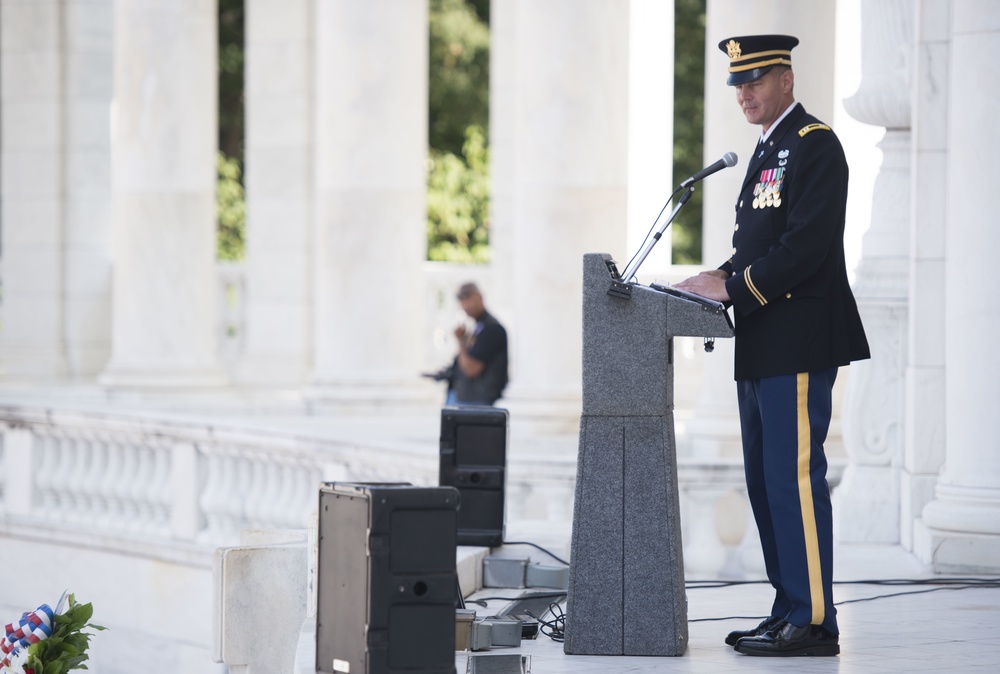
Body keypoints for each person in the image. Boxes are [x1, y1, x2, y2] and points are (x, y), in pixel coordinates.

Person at [676, 34, 870, 657]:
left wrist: (734, 285)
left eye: (756, 79)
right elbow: (760, 243)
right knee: (766, 481)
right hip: (763, 340)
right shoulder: (767, 151)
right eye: (737, 82)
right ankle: (788, 605)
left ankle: (813, 619)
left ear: (786, 78)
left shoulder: (815, 146)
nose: (744, 91)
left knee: (793, 478)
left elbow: (807, 247)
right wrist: (716, 277)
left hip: (798, 337)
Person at [438, 282, 508, 406]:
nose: (466, 306)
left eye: (469, 299)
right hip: (468, 398)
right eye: (462, 301)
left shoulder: (491, 328)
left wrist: (460, 341)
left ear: (480, 297)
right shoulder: (477, 326)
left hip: (478, 402)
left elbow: (471, 369)